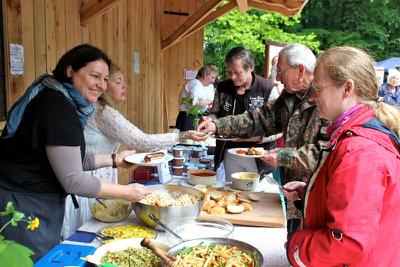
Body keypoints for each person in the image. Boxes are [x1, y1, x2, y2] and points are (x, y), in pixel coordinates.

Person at [0, 44, 152, 262]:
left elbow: (71, 160)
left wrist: (113, 160)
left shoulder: (59, 98)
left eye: (105, 78)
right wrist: (127, 193)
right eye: (94, 76)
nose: (101, 85)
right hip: (22, 202)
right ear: (70, 71)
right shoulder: (58, 110)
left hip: (31, 197)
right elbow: (73, 180)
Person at [283, 46, 400, 266]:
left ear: (347, 88)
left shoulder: (360, 150)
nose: (314, 96)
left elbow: (347, 243)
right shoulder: (359, 136)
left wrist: (294, 246)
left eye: (319, 88)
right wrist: (314, 191)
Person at [197, 43, 330, 232]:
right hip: (293, 193)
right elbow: (258, 119)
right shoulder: (289, 96)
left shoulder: (327, 99)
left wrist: (283, 156)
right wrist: (216, 124)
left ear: (300, 70)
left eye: (281, 72)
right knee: (293, 241)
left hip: (319, 198)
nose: (277, 78)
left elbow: (327, 153)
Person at [61, 63, 205, 239]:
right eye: (117, 81)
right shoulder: (102, 112)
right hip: (88, 184)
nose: (125, 85)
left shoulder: (98, 110)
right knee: (87, 233)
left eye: (108, 80)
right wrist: (182, 136)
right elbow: (141, 140)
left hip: (96, 175)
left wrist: (115, 159)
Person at [201, 47, 278, 182]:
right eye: (229, 71)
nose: (232, 77)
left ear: (251, 68)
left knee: (259, 197)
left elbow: (279, 127)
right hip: (229, 153)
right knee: (232, 193)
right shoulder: (223, 87)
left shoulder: (267, 89)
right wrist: (209, 120)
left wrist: (258, 138)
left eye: (237, 72)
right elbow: (215, 113)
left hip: (259, 156)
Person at [175, 64, 218, 131]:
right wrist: (212, 102)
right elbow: (194, 102)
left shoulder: (199, 85)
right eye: (212, 78)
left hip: (193, 117)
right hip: (188, 118)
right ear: (205, 75)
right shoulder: (195, 84)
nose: (213, 81)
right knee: (188, 141)